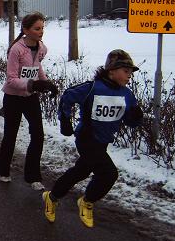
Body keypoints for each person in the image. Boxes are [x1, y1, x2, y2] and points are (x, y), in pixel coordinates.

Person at [42, 49, 143, 228]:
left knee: (81, 171)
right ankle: (87, 202)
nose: (129, 76)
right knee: (109, 174)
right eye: (126, 71)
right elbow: (68, 95)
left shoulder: (127, 94)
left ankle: (52, 197)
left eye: (131, 72)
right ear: (111, 71)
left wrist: (136, 117)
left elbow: (130, 121)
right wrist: (65, 120)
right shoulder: (92, 88)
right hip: (86, 138)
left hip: (103, 141)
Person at [0, 11, 58, 190]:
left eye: (42, 28)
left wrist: (47, 83)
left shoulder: (42, 48)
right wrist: (33, 85)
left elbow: (37, 67)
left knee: (38, 135)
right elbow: (11, 79)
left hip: (30, 98)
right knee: (11, 135)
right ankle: (3, 169)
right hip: (13, 98)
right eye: (37, 28)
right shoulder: (16, 49)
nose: (41, 31)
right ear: (26, 30)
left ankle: (33, 177)